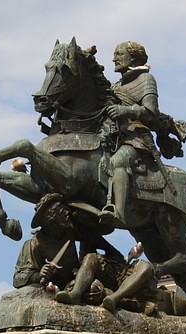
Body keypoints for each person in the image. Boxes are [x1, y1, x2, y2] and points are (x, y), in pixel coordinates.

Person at [98, 41, 161, 227]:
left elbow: (152, 112)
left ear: (132, 57)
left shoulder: (146, 80)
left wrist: (126, 111)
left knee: (118, 161)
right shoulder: (116, 85)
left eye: (118, 54)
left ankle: (118, 212)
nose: (113, 58)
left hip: (136, 139)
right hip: (113, 138)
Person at [13, 193, 80, 290]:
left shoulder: (71, 232)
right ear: (51, 219)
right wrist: (38, 275)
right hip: (50, 289)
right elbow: (17, 279)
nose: (67, 212)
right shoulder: (33, 244)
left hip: (73, 284)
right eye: (61, 211)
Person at [55, 251, 158, 314]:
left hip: (128, 273)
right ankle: (75, 294)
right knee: (91, 257)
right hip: (109, 277)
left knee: (146, 267)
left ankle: (115, 298)